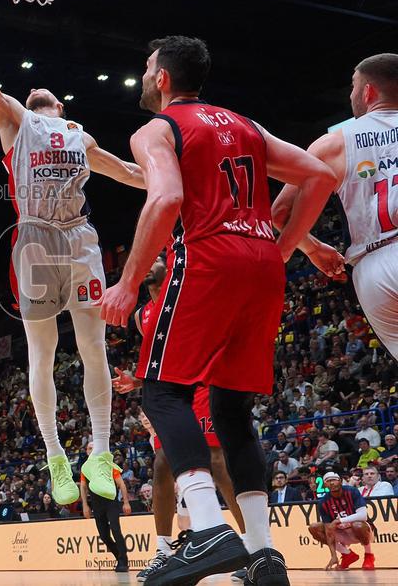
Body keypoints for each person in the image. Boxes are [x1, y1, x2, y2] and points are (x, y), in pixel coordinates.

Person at [99, 36, 337, 585]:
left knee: (162, 393)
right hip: (262, 266)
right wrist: (283, 248)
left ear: (162, 78)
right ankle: (262, 555)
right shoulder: (246, 125)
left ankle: (207, 529)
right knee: (231, 412)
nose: (144, 75)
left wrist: (129, 282)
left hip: (207, 260)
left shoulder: (159, 129)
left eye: (147, 67)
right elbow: (320, 176)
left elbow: (165, 199)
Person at [0, 0, 144, 510]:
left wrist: (181, 180)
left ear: (61, 106)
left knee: (93, 349)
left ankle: (100, 452)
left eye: (44, 94)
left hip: (79, 238)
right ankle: (54, 456)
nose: (35, 91)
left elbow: (132, 175)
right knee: (40, 355)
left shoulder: (80, 137)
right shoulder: (16, 121)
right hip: (37, 242)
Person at [112, 258, 246, 582]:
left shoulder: (187, 292)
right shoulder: (141, 316)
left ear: (169, 264)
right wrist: (137, 381)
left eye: (156, 258)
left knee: (217, 462)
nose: (149, 263)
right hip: (171, 392)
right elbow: (162, 361)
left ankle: (251, 547)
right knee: (161, 463)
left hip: (202, 385)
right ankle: (163, 551)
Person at [271, 53, 398, 359]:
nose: (351, 94)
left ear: (368, 92)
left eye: (353, 87)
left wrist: (314, 248)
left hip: (373, 267)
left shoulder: (332, 144)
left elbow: (280, 213)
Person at [79, 443, 131, 573]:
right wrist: (85, 505)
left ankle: (123, 561)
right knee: (104, 536)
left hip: (111, 503)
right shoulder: (85, 468)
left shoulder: (108, 464)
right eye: (89, 448)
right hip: (96, 505)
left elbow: (121, 484)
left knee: (116, 530)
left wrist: (126, 502)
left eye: (93, 448)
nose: (91, 450)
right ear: (86, 451)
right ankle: (119, 557)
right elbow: (83, 487)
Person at [308, 472, 375, 571]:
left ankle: (369, 555)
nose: (331, 483)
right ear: (325, 485)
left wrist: (339, 520)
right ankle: (347, 554)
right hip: (341, 532)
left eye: (334, 480)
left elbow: (363, 515)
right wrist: (333, 555)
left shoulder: (352, 491)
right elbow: (328, 531)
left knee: (358, 525)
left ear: (340, 481)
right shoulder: (323, 502)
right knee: (314, 527)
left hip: (359, 530)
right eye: (328, 481)